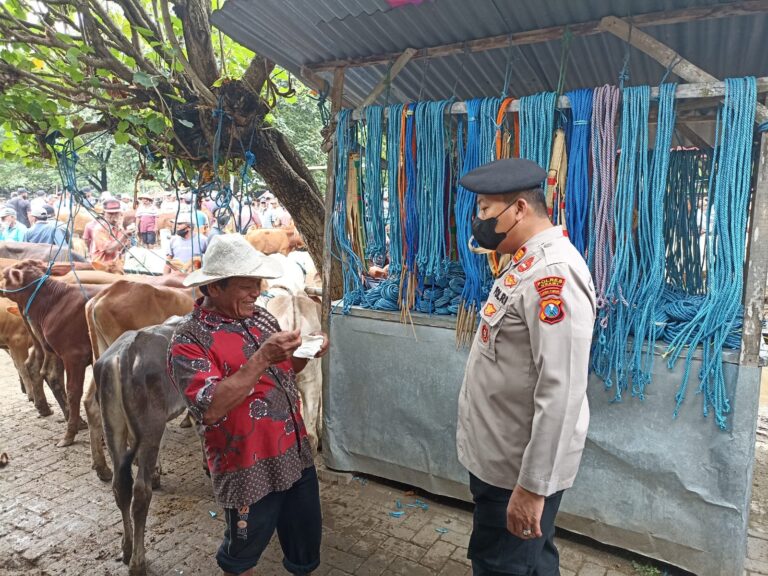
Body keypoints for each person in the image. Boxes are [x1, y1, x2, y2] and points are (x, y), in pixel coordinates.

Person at [455, 158, 596, 576]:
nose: (478, 221)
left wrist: (533, 488)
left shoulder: (552, 275)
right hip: (501, 461)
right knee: (531, 560)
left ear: (519, 209)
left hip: (516, 474)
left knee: (502, 564)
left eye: (484, 210)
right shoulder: (525, 261)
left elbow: (562, 391)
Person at [168, 234, 329, 576]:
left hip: (295, 454)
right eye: (246, 284)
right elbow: (210, 408)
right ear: (213, 288)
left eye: (258, 282)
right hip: (246, 468)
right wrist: (262, 357)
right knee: (241, 558)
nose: (257, 291)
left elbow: (284, 372)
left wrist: (303, 354)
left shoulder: (261, 318)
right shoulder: (189, 339)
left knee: (304, 551)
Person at [91, 199, 130, 264]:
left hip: (115, 265)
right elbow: (109, 250)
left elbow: (122, 248)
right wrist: (124, 236)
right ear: (104, 213)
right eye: (110, 213)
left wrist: (127, 241)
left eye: (116, 213)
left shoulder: (119, 228)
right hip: (101, 265)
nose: (114, 216)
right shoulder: (99, 229)